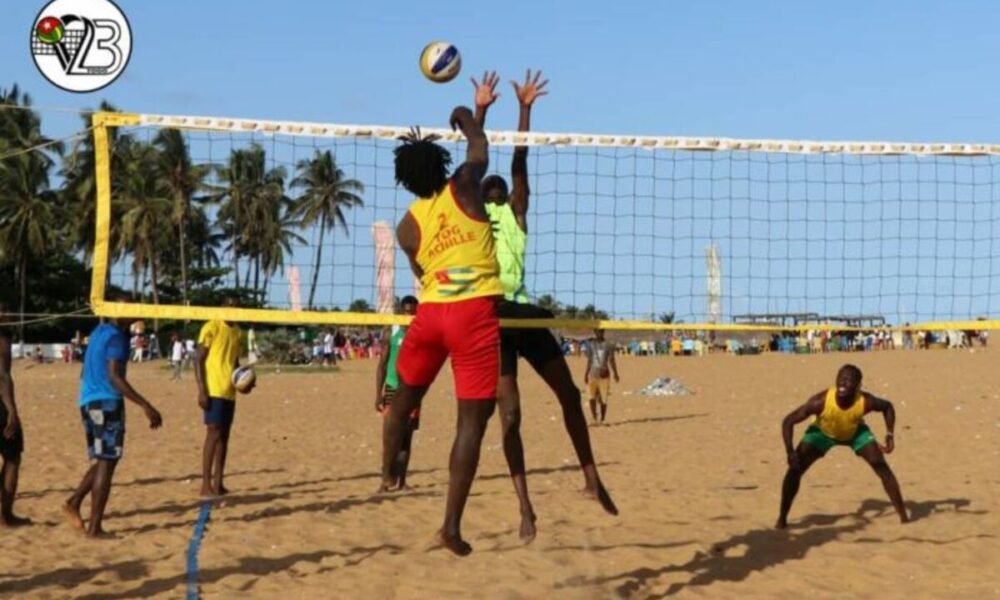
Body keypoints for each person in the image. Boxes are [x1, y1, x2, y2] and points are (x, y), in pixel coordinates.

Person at [475, 69, 617, 540]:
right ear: (480, 196)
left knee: (570, 396)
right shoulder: (473, 214)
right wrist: (479, 112)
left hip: (525, 312)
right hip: (492, 318)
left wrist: (525, 109)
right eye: (489, 185)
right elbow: (477, 161)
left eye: (501, 186)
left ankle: (591, 478)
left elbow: (518, 160)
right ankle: (525, 507)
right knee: (510, 415)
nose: (497, 187)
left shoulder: (517, 212)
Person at [380, 100, 503, 556]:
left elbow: (421, 271)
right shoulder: (468, 186)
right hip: (473, 317)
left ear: (406, 178)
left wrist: (475, 113)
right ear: (443, 163)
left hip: (430, 315)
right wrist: (466, 113)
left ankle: (390, 469)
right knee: (470, 423)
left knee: (401, 402)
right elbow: (479, 145)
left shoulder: (406, 227)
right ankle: (450, 526)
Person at [63, 299, 163, 537]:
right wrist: (145, 405)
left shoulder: (99, 331)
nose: (135, 313)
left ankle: (74, 502)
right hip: (105, 402)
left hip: (88, 400)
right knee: (107, 463)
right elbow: (115, 376)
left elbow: (87, 369)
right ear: (118, 313)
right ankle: (95, 528)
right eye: (129, 309)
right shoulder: (117, 336)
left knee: (104, 459)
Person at [776, 364, 909, 529]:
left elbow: (887, 407)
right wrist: (789, 451)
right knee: (795, 469)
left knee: (880, 465)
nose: (843, 383)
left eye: (849, 380)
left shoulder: (865, 401)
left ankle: (904, 516)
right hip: (822, 433)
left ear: (858, 385)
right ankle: (782, 518)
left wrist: (889, 434)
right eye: (841, 378)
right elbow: (788, 421)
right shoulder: (820, 401)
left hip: (854, 432)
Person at [195, 297, 247, 497]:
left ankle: (219, 482)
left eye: (236, 306)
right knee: (213, 434)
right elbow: (198, 359)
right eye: (230, 306)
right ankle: (205, 483)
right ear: (222, 308)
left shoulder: (237, 331)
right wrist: (201, 389)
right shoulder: (211, 326)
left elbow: (234, 362)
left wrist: (243, 382)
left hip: (229, 390)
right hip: (213, 389)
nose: (233, 309)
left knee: (224, 436)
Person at [375, 296, 420, 490]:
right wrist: (378, 394)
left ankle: (402, 481)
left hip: (413, 389)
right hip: (393, 388)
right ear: (402, 310)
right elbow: (382, 365)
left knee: (407, 437)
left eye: (413, 311)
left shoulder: (421, 331)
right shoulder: (391, 330)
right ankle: (385, 479)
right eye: (407, 310)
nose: (410, 314)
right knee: (390, 436)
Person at [0, 303, 28, 527]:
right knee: (12, 459)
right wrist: (12, 411)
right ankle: (5, 516)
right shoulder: (3, 337)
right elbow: (3, 376)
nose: (10, 315)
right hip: (0, 405)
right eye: (5, 311)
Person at [584, 329, 619, 426]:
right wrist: (586, 373)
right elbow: (590, 360)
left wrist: (615, 373)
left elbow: (611, 359)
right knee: (591, 397)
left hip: (604, 375)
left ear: (603, 332)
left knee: (603, 399)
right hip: (592, 374)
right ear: (594, 333)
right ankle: (594, 418)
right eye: (597, 332)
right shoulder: (591, 345)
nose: (599, 334)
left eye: (600, 332)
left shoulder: (608, 345)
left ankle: (602, 419)